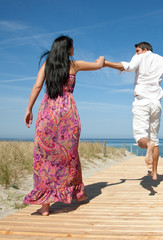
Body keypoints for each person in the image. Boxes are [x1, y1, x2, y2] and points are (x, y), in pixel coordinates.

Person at [23, 35, 105, 216]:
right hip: (67, 115)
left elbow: (37, 87)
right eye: (73, 47)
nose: (74, 49)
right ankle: (76, 193)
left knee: (43, 158)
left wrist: (29, 109)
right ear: (67, 49)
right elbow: (98, 65)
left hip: (47, 113)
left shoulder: (46, 66)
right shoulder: (74, 65)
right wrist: (102, 59)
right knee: (69, 157)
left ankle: (45, 206)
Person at [104, 42, 163, 180]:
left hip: (142, 102)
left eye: (137, 50)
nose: (135, 53)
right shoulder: (162, 60)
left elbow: (128, 67)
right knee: (155, 139)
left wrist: (106, 63)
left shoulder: (140, 57)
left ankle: (148, 145)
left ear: (144, 50)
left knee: (140, 137)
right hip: (156, 104)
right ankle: (154, 173)